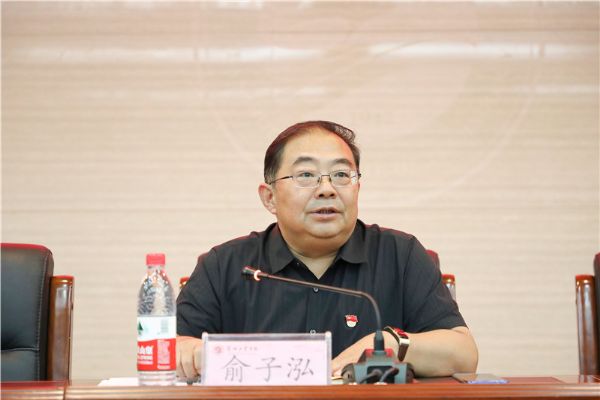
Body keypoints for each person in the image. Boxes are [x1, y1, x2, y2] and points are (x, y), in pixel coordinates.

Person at [176, 121, 478, 380]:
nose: (326, 189)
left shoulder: (401, 256)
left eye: (341, 175)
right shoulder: (226, 265)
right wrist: (190, 352)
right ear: (269, 198)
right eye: (306, 175)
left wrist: (389, 343)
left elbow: (463, 354)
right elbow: (170, 347)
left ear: (357, 188)